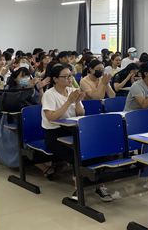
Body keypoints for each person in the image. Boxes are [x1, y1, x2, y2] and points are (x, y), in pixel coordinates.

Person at [41, 64, 113, 202]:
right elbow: (51, 117)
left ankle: (99, 184)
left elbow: (81, 114)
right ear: (55, 79)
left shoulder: (73, 91)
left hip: (72, 129)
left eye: (71, 75)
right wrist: (69, 101)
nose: (70, 79)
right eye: (66, 76)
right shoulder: (49, 94)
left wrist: (78, 102)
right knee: (77, 154)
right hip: (54, 134)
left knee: (96, 150)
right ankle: (79, 187)